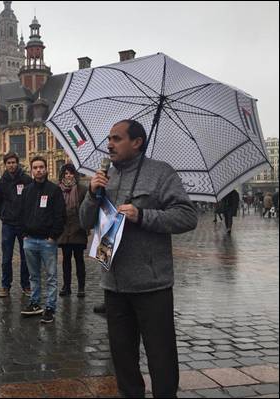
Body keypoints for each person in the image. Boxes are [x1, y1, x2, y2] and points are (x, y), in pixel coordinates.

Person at [79, 120, 197, 398]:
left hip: (151, 285)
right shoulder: (105, 177)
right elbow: (85, 221)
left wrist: (143, 215)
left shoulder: (160, 173)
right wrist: (92, 193)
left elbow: (187, 216)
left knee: (161, 357)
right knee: (122, 359)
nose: (109, 144)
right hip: (114, 284)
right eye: (108, 138)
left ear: (137, 142)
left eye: (117, 139)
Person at [20, 156, 66, 323]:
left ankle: (50, 308)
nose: (38, 170)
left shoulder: (54, 190)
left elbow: (60, 215)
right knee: (33, 276)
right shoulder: (27, 190)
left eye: (41, 167)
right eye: (35, 167)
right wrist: (24, 232)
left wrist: (53, 236)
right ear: (31, 170)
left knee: (51, 276)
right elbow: (22, 213)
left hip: (47, 241)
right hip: (30, 239)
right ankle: (34, 302)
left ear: (46, 169)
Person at [0, 152, 33, 298]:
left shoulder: (26, 179)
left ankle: (26, 285)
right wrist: (3, 215)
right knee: (6, 257)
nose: (11, 165)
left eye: (13, 162)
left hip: (23, 224)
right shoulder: (2, 182)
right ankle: (5, 285)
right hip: (8, 224)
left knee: (25, 256)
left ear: (17, 163)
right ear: (5, 165)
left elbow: (30, 199)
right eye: (8, 163)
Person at [56, 163, 88, 298]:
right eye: (66, 173)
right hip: (64, 230)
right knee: (66, 260)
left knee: (79, 259)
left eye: (71, 173)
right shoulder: (58, 190)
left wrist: (86, 226)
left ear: (75, 175)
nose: (68, 176)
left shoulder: (82, 189)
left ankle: (81, 287)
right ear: (62, 175)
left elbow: (87, 209)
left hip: (78, 228)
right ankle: (66, 286)